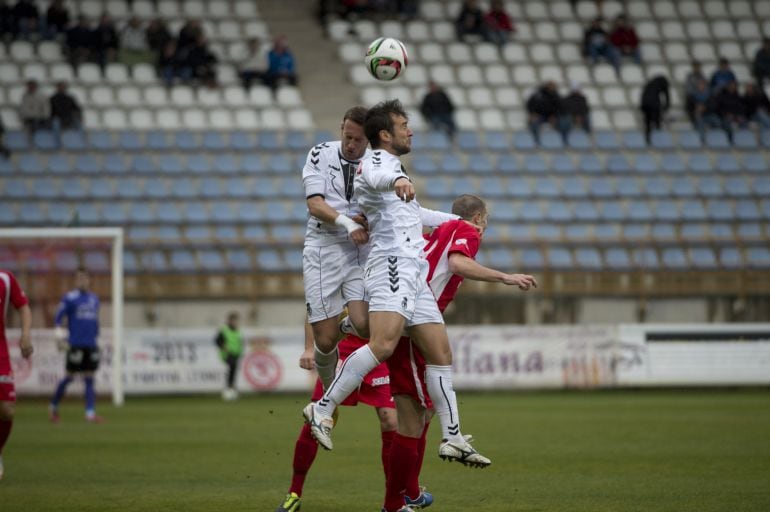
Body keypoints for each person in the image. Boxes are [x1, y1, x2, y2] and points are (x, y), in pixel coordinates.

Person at [303, 100, 490, 470]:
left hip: (412, 270)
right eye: (404, 125)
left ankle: (452, 436)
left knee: (440, 354)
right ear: (386, 134)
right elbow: (376, 178)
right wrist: (398, 180)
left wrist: (458, 221)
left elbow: (413, 212)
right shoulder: (378, 163)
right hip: (390, 265)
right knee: (382, 345)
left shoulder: (393, 167)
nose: (411, 130)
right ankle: (322, 408)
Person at [382, 195, 537, 512]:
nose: (485, 223)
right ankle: (394, 503)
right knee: (411, 419)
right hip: (414, 328)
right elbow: (457, 262)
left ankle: (408, 493)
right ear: (479, 216)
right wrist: (505, 277)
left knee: (423, 413)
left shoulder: (437, 232)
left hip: (410, 322)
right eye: (486, 217)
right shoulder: (468, 231)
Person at [275, 323, 397, 512]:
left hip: (376, 350)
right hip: (342, 350)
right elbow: (312, 308)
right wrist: (309, 348)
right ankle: (294, 493)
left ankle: (395, 500)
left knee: (391, 419)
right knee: (317, 417)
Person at [49, 268, 103, 424]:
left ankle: (90, 413)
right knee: (69, 377)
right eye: (79, 278)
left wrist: (96, 336)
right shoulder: (70, 298)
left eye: (85, 278)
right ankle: (53, 406)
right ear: (75, 281)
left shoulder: (94, 299)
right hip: (76, 344)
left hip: (91, 344)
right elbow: (58, 318)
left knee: (89, 378)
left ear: (89, 280)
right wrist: (58, 334)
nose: (82, 281)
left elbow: (94, 321)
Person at [0, 269, 33, 480]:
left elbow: (23, 307)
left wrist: (26, 335)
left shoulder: (5, 278)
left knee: (7, 410)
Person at [214, 312, 243, 401]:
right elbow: (217, 341)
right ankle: (229, 388)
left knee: (233, 369)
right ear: (230, 321)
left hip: (235, 354)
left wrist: (240, 352)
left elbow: (239, 342)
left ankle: (231, 388)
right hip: (227, 354)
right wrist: (223, 347)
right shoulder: (224, 330)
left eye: (236, 321)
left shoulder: (237, 330)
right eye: (234, 320)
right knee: (232, 366)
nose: (235, 322)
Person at [640, 75, 670, 144]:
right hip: (652, 104)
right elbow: (667, 96)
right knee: (655, 119)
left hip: (645, 103)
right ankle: (657, 127)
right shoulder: (663, 83)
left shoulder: (651, 84)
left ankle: (648, 138)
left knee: (648, 122)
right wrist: (666, 107)